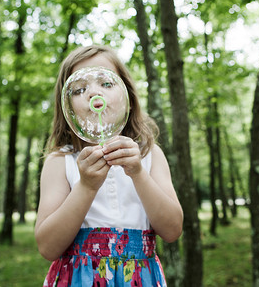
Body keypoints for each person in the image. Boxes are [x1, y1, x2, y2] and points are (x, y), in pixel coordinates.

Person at [35, 45, 183, 287]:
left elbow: (172, 229)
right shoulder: (61, 162)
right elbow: (48, 247)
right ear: (67, 108)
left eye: (106, 83)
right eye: (79, 89)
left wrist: (138, 173)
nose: (94, 93)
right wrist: (86, 186)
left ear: (128, 97)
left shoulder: (149, 155)